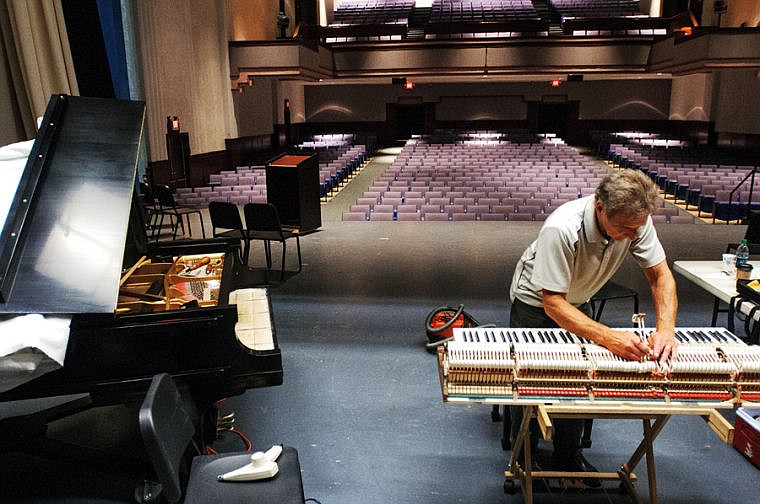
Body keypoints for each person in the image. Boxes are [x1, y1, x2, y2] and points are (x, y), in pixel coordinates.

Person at [507, 169, 678, 482]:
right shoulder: (562, 228)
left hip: (577, 296)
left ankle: (568, 456)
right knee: (531, 378)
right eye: (625, 228)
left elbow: (660, 275)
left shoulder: (636, 221)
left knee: (581, 378)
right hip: (535, 302)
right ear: (601, 208)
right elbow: (553, 303)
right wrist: (609, 337)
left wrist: (666, 329)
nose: (633, 234)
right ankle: (525, 456)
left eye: (636, 228)